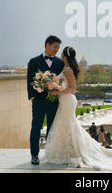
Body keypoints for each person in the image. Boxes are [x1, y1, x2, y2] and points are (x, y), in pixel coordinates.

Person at [43, 46, 112, 170]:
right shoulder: (66, 69)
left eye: (62, 53)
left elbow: (72, 89)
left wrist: (56, 91)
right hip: (65, 100)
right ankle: (70, 150)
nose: (60, 55)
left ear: (65, 55)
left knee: (67, 125)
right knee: (68, 125)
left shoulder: (67, 70)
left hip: (66, 100)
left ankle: (69, 151)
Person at [28, 35, 65, 165]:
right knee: (36, 127)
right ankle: (34, 155)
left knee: (52, 128)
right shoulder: (33, 61)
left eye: (58, 48)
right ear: (47, 45)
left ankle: (50, 153)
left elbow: (62, 81)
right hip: (38, 101)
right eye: (55, 47)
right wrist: (32, 96)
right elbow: (30, 80)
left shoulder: (60, 63)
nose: (56, 50)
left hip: (54, 101)